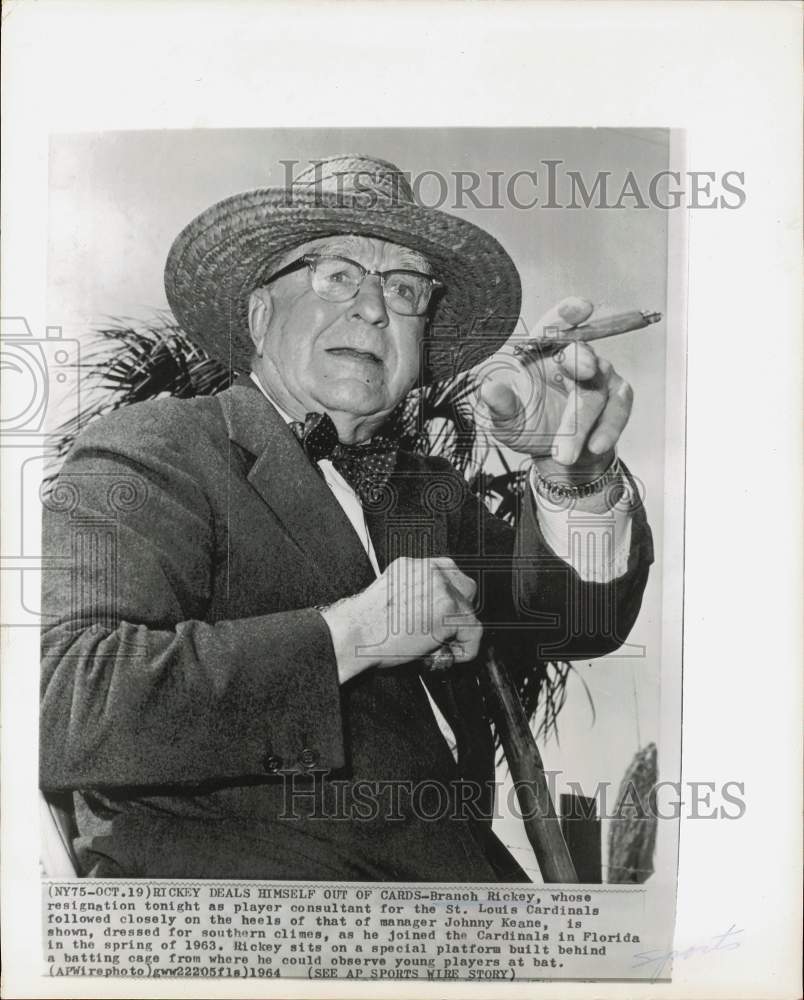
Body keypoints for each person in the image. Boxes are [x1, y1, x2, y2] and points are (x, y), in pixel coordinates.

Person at [40, 154, 653, 881]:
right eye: (336, 275)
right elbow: (65, 708)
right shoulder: (158, 446)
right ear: (260, 315)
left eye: (404, 289)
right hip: (246, 930)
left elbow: (578, 624)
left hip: (465, 918)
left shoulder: (426, 493)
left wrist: (572, 475)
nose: (372, 307)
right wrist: (357, 632)